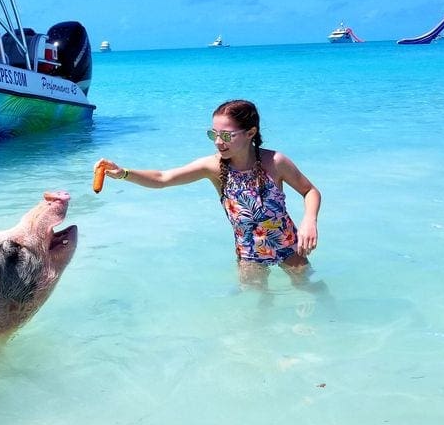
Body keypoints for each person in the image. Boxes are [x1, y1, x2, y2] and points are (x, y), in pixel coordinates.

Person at [95, 99, 321, 287]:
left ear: (250, 132)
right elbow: (163, 178)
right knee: (254, 312)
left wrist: (309, 221)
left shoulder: (275, 162)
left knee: (313, 294)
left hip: (290, 248)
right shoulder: (213, 167)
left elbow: (309, 191)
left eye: (226, 135)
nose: (219, 142)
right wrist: (123, 172)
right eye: (214, 135)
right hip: (249, 255)